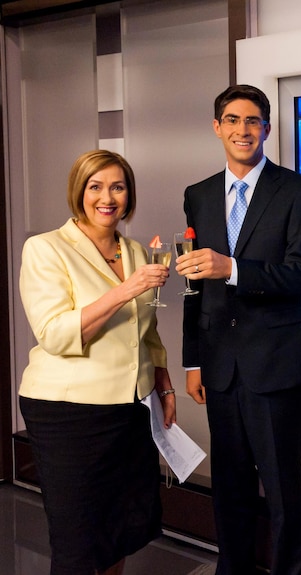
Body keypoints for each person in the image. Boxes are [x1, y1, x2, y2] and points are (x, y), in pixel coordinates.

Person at [175, 84, 301, 575]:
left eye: (253, 121)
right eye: (233, 120)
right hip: (219, 367)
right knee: (230, 488)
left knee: (283, 491)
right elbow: (194, 283)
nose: (243, 130)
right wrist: (192, 359)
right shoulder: (197, 195)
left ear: (267, 129)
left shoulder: (299, 190)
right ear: (217, 127)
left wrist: (232, 268)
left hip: (277, 366)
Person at [18, 149, 176, 575]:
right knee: (79, 541)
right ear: (79, 191)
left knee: (120, 531)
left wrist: (163, 384)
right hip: (68, 412)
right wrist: (125, 290)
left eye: (118, 187)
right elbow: (55, 334)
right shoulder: (46, 248)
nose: (108, 197)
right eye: (96, 186)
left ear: (129, 195)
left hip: (130, 408)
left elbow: (147, 330)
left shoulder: (137, 252)